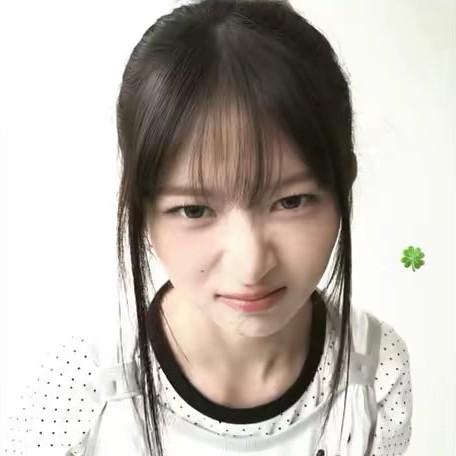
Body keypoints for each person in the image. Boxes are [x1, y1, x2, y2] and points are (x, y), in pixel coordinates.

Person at [1, 0, 413, 455]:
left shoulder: (373, 372)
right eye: (195, 210)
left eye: (290, 201)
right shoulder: (87, 385)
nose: (251, 265)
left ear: (343, 185)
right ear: (141, 207)